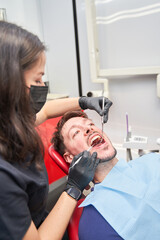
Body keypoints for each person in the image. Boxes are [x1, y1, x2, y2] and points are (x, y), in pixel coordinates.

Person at [0, 20, 113, 240]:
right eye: (37, 79)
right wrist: (72, 189)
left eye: (89, 124)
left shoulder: (11, 125)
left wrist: (84, 102)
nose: (43, 87)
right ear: (8, 83)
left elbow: (46, 110)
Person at [52, 110, 160, 240]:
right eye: (76, 132)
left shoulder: (152, 160)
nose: (88, 129)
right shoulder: (95, 222)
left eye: (90, 124)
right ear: (70, 157)